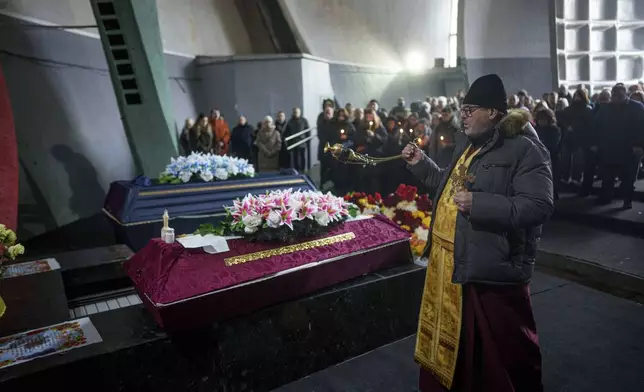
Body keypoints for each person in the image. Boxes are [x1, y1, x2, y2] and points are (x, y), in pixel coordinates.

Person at [402, 73, 553, 392]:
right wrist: (421, 165)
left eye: (472, 108)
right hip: (453, 269)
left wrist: (480, 204)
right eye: (463, 108)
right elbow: (447, 188)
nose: (464, 114)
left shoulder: (525, 150)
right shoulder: (468, 147)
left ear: (494, 113)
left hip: (489, 273)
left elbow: (538, 205)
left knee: (497, 363)